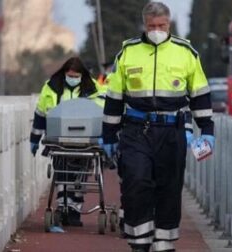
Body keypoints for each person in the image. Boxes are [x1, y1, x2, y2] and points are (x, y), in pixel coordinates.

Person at [101, 2, 215, 252]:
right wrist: (108, 133)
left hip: (171, 130)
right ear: (144, 25)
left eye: (161, 26)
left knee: (169, 187)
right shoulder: (128, 52)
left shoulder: (186, 52)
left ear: (169, 24)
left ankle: (164, 242)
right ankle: (139, 241)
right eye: (151, 26)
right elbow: (114, 96)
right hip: (135, 129)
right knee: (135, 181)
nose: (156, 30)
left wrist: (206, 129)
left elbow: (200, 94)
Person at [30, 56, 105, 227]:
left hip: (86, 139)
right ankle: (63, 206)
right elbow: (41, 113)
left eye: (76, 75)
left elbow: (101, 110)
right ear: (64, 73)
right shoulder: (51, 88)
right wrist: (34, 139)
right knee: (62, 173)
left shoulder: (92, 88)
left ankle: (74, 210)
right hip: (58, 139)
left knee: (79, 174)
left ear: (82, 75)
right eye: (69, 75)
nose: (72, 79)